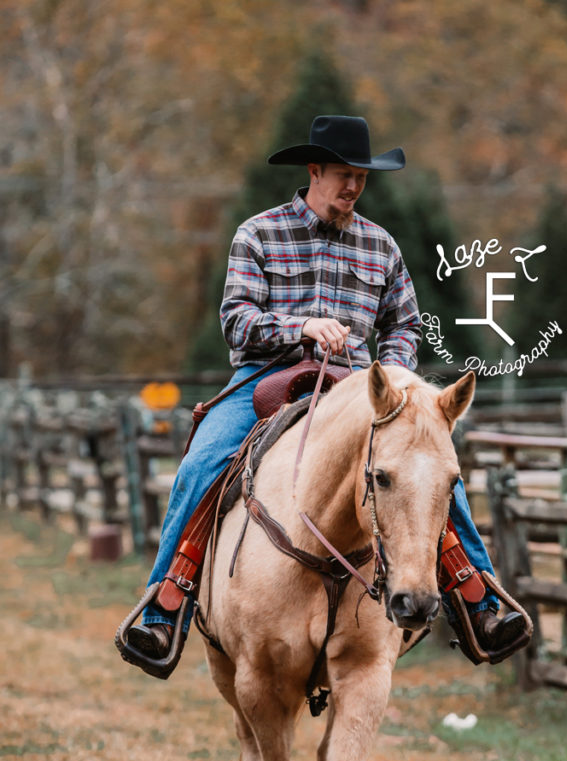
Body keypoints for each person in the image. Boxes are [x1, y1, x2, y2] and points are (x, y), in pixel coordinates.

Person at [123, 115, 526, 669]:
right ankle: (162, 609)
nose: (353, 187)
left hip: (360, 392)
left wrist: (394, 380)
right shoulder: (258, 233)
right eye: (342, 174)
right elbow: (236, 320)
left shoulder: (380, 246)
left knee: (427, 465)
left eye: (361, 176)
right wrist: (302, 327)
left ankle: (477, 596)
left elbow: (404, 324)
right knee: (200, 464)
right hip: (264, 380)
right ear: (313, 171)